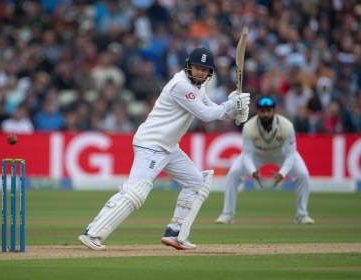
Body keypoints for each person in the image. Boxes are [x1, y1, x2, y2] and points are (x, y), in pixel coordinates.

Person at [78, 47, 251, 251]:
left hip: (168, 148)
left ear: (209, 73)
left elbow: (216, 112)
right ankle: (93, 233)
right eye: (196, 68)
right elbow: (205, 114)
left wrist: (237, 110)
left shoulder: (198, 88)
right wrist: (230, 105)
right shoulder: (180, 85)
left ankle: (175, 233)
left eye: (204, 70)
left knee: (196, 183)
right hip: (151, 144)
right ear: (188, 66)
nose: (199, 73)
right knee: (135, 191)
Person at [215, 97, 315, 225]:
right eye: (262, 111)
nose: (266, 114)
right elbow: (246, 155)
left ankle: (301, 215)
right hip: (257, 154)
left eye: (269, 110)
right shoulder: (249, 127)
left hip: (281, 153)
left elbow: (291, 155)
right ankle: (227, 214)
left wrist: (282, 174)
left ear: (274, 111)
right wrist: (253, 172)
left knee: (303, 175)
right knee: (233, 173)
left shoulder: (287, 126)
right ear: (257, 111)